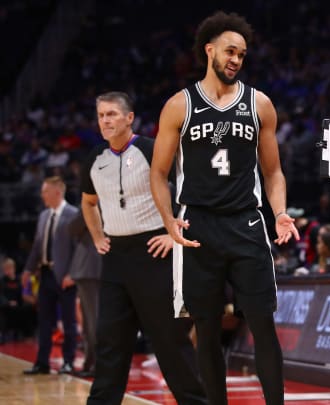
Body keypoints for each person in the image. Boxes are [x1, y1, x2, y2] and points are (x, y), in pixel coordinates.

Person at [150, 12, 299, 405]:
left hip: (247, 224)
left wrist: (280, 212)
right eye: (230, 52)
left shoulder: (259, 104)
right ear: (210, 50)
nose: (236, 59)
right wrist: (168, 220)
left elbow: (273, 172)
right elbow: (158, 173)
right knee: (207, 328)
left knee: (262, 324)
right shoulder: (178, 106)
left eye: (243, 54)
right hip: (197, 227)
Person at [82, 92, 206, 404]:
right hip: (115, 258)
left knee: (169, 340)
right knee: (110, 340)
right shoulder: (94, 159)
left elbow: (194, 187)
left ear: (129, 118)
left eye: (112, 114)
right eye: (101, 115)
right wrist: (98, 236)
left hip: (154, 253)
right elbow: (88, 201)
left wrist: (171, 231)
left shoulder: (152, 149)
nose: (105, 121)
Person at [21, 176, 78, 375]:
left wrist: (73, 273)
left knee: (69, 321)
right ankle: (42, 362)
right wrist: (28, 269)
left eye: (45, 191)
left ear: (57, 192)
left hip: (65, 276)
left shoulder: (74, 214)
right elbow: (37, 246)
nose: (42, 195)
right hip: (45, 273)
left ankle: (68, 361)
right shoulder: (44, 215)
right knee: (44, 320)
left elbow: (79, 248)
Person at [67, 210, 102, 377]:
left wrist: (85, 206)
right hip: (96, 266)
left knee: (92, 320)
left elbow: (72, 229)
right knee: (90, 320)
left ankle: (96, 364)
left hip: (90, 266)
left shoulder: (93, 202)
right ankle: (91, 362)